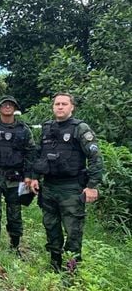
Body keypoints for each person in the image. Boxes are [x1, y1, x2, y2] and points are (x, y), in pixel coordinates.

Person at [30, 93, 103, 272]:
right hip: (49, 186)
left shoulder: (80, 128)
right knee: (51, 226)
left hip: (71, 188)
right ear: (53, 107)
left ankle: (70, 271)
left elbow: (95, 157)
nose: (60, 107)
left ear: (72, 107)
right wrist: (34, 177)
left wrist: (92, 186)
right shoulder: (47, 127)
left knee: (73, 231)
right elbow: (40, 155)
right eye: (57, 104)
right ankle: (54, 264)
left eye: (64, 104)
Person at [0, 96, 36, 256]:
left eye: (11, 105)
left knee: (15, 214)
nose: (7, 107)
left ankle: (15, 246)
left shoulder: (24, 129)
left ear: (15, 108)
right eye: (4, 105)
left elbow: (31, 152)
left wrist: (29, 176)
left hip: (16, 178)